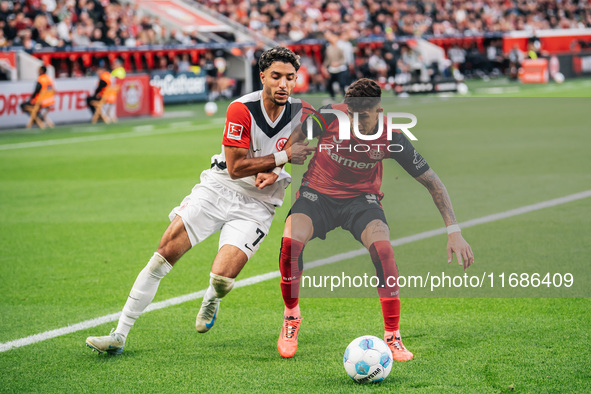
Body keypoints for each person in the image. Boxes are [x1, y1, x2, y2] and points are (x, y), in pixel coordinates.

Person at [85, 46, 316, 355]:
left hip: (258, 204)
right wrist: (283, 157)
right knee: (163, 253)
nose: (284, 84)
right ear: (262, 77)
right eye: (276, 76)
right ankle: (119, 335)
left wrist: (277, 169)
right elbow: (235, 168)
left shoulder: (302, 111)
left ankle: (213, 296)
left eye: (290, 77)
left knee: (222, 278)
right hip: (219, 187)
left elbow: (305, 138)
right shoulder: (240, 109)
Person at [273, 78, 474, 360]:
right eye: (352, 115)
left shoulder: (391, 136)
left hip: (361, 200)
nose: (355, 122)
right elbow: (297, 136)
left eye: (363, 117)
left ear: (379, 111)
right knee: (290, 243)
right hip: (317, 194)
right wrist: (280, 162)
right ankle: (291, 316)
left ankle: (392, 335)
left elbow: (432, 182)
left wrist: (454, 231)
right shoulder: (329, 115)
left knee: (384, 250)